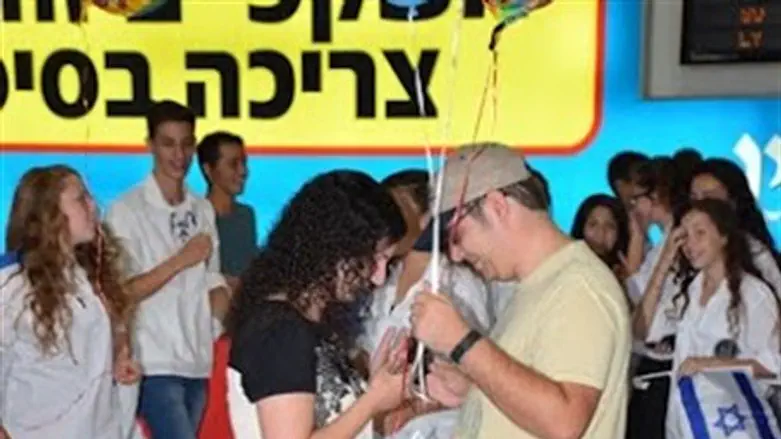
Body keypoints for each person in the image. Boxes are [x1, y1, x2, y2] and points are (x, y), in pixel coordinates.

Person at [409, 143, 631, 438]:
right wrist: (476, 391)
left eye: (458, 236)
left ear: (498, 206)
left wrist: (461, 342)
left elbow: (563, 421)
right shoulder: (539, 284)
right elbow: (538, 393)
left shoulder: (580, 287)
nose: (457, 255)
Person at [226, 170, 410, 439]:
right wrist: (373, 400)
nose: (379, 277)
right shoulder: (280, 331)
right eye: (375, 259)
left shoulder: (311, 324)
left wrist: (374, 385)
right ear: (336, 247)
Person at [106, 100, 230, 439]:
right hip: (153, 361)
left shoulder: (202, 209)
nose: (179, 154)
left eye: (186, 143)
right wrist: (181, 260)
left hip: (197, 360)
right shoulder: (126, 211)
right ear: (150, 145)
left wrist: (213, 324)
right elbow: (123, 291)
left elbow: (213, 279)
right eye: (168, 143)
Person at [1, 166, 140, 438]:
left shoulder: (91, 279)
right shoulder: (12, 285)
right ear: (49, 213)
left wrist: (121, 358)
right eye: (81, 198)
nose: (93, 206)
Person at [633, 199, 780, 438]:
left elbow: (774, 364)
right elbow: (641, 331)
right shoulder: (688, 290)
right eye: (684, 236)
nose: (690, 244)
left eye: (700, 233)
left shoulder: (752, 293)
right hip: (685, 423)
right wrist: (665, 258)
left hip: (735, 424)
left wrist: (710, 364)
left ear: (723, 236)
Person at [363, 169, 493, 438]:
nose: (383, 221)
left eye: (395, 209)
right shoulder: (381, 279)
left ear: (428, 220)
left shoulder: (456, 282)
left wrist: (422, 405)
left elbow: (474, 369)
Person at [689, 158, 781, 296]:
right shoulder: (686, 248)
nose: (700, 206)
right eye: (694, 198)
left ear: (733, 202)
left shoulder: (756, 255)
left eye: (708, 198)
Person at [570, 194, 630, 281]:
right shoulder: (567, 270)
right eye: (593, 224)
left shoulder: (627, 277)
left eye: (610, 226)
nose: (600, 233)